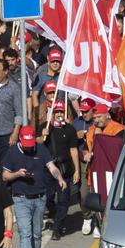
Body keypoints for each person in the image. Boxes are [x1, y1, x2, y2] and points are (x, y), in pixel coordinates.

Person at [1, 125, 67, 248]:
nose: (29, 148)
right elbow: (5, 176)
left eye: (31, 145)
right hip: (20, 199)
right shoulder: (12, 152)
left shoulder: (41, 149)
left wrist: (59, 178)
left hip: (39, 198)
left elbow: (52, 167)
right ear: (20, 139)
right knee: (25, 234)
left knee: (37, 235)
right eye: (26, 145)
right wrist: (18, 174)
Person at [40, 101, 81, 240]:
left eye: (61, 112)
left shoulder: (70, 129)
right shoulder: (45, 127)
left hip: (64, 169)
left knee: (64, 200)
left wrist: (76, 171)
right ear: (52, 113)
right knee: (47, 197)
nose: (59, 114)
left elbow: (74, 150)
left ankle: (57, 227)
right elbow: (35, 142)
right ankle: (54, 214)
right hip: (47, 170)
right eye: (56, 112)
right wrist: (42, 136)